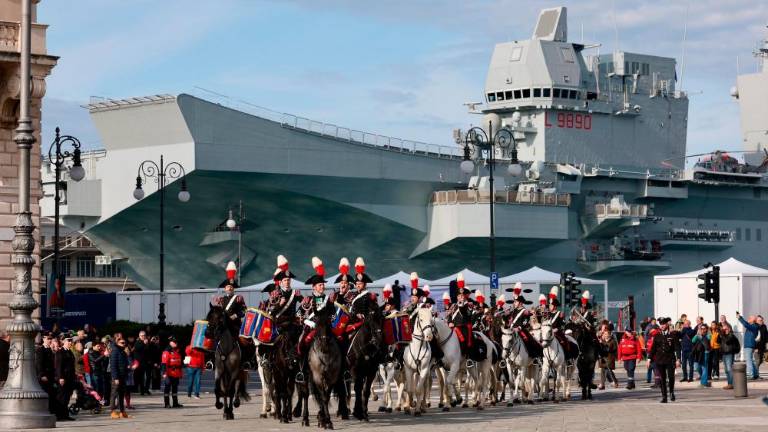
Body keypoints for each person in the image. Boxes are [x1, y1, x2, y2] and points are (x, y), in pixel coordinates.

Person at [648, 317, 680, 403]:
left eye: (663, 324)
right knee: (662, 378)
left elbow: (677, 348)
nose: (662, 326)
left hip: (670, 359)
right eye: (661, 324)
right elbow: (653, 348)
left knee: (671, 377)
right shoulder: (657, 336)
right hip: (660, 359)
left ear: (667, 324)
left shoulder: (673, 335)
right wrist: (649, 359)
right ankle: (664, 396)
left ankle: (671, 392)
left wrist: (678, 359)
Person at [54, 336, 76, 421]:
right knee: (61, 397)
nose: (70, 342)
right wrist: (60, 377)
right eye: (68, 341)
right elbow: (58, 366)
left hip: (70, 378)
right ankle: (59, 415)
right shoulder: (60, 352)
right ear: (63, 342)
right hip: (64, 378)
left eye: (71, 341)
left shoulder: (69, 352)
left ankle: (65, 415)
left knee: (67, 397)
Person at [109, 337, 130, 419]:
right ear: (117, 343)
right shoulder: (115, 351)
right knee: (114, 394)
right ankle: (113, 411)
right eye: (122, 343)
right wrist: (115, 377)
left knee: (121, 394)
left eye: (124, 342)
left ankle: (122, 411)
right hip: (117, 376)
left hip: (123, 375)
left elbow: (125, 363)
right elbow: (113, 366)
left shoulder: (122, 351)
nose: (124, 344)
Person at [161, 336, 184, 408]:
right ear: (170, 342)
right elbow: (164, 363)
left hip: (176, 373)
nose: (176, 343)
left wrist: (180, 373)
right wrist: (164, 373)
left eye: (176, 342)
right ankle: (167, 403)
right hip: (169, 373)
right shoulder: (167, 351)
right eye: (174, 342)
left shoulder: (177, 350)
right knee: (167, 388)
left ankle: (175, 403)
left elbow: (179, 363)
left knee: (175, 389)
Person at [35, 332, 56, 415]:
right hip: (44, 376)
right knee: (45, 393)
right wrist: (42, 375)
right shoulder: (40, 349)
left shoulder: (49, 350)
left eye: (51, 339)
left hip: (50, 375)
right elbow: (39, 364)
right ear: (43, 339)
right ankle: (44, 411)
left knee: (51, 393)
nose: (50, 340)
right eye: (48, 339)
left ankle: (51, 411)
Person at [736, 312, 760, 379]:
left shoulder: (754, 326)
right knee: (751, 360)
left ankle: (750, 374)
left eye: (750, 318)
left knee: (749, 360)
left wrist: (740, 318)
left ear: (753, 320)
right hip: (749, 345)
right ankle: (755, 374)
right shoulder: (753, 326)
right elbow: (746, 324)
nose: (748, 319)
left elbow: (745, 324)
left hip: (749, 345)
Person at [719, 323, 741, 390]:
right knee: (726, 370)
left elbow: (727, 341)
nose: (724, 330)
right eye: (723, 329)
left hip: (729, 353)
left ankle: (731, 384)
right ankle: (729, 383)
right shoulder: (723, 335)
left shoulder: (731, 335)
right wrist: (720, 333)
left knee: (729, 369)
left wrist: (722, 334)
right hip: (724, 353)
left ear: (729, 329)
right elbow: (718, 341)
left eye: (726, 329)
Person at [134, 330, 150, 395]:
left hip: (145, 362)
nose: (143, 337)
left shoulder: (146, 342)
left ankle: (145, 389)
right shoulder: (138, 342)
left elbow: (148, 351)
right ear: (139, 336)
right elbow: (138, 349)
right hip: (139, 362)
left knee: (146, 377)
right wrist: (144, 343)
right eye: (142, 335)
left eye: (144, 335)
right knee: (140, 377)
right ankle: (141, 390)